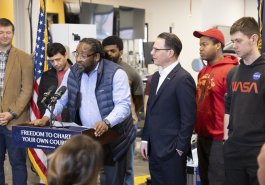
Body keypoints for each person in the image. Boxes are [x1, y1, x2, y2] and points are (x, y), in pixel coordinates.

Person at [30, 38, 136, 185]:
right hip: (87, 135)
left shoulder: (116, 73)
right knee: (84, 178)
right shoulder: (73, 72)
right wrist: (47, 117)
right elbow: (62, 98)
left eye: (84, 55)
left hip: (114, 137)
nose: (78, 59)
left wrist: (107, 122)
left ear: (97, 57)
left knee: (111, 180)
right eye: (77, 54)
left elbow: (123, 106)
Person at [140, 32, 196, 185]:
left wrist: (180, 149)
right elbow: (150, 109)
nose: (152, 53)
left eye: (156, 49)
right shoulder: (156, 77)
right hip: (154, 147)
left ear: (170, 53)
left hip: (172, 151)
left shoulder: (183, 79)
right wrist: (145, 139)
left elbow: (188, 117)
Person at [193, 28, 238, 185]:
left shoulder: (230, 71)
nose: (201, 48)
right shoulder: (202, 72)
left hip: (220, 137)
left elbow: (234, 107)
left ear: (218, 45)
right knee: (205, 179)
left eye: (204, 44)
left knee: (218, 180)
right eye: (200, 45)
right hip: (203, 136)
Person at [224, 17, 265, 185]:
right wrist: (226, 140)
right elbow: (228, 107)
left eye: (239, 41)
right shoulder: (233, 73)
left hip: (259, 150)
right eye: (233, 41)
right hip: (234, 149)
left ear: (253, 39)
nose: (234, 45)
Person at [102, 35, 144, 185]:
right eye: (105, 51)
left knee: (127, 168)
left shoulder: (130, 72)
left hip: (126, 126)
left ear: (121, 51)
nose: (109, 54)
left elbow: (138, 98)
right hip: (104, 125)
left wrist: (129, 114)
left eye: (113, 51)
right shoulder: (99, 70)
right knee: (104, 166)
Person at [0, 18, 34, 185]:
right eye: (1, 32)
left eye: (8, 32)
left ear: (13, 34)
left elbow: (27, 89)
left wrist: (11, 113)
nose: (5, 36)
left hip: (16, 121)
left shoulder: (25, 58)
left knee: (18, 164)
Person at [37, 42, 72, 122]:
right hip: (51, 123)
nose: (55, 64)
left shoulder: (76, 73)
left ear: (65, 55)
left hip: (71, 123)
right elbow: (41, 101)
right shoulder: (46, 76)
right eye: (52, 61)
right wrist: (47, 118)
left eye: (58, 59)